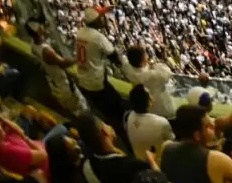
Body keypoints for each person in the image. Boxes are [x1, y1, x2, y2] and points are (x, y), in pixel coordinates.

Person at [74, 114, 149, 183]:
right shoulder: (134, 166)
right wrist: (152, 162)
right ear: (104, 132)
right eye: (105, 124)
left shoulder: (87, 167)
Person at [75, 8, 127, 141]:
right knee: (118, 111)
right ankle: (121, 138)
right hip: (96, 83)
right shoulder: (97, 37)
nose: (105, 19)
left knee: (105, 111)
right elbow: (114, 57)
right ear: (96, 20)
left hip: (84, 80)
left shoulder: (81, 32)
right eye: (101, 17)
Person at [29, 19, 87, 114]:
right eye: (40, 27)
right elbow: (64, 63)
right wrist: (79, 58)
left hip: (54, 82)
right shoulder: (46, 52)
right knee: (80, 109)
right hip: (64, 86)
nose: (42, 27)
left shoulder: (33, 45)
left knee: (72, 108)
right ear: (37, 31)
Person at [121, 47, 175, 120]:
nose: (147, 55)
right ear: (142, 60)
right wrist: (154, 64)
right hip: (160, 103)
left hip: (146, 103)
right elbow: (167, 72)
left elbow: (124, 59)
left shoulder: (128, 68)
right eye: (145, 54)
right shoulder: (151, 75)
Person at [124, 85, 173, 162]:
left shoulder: (127, 117)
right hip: (158, 162)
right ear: (149, 102)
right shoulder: (162, 122)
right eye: (149, 94)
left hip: (138, 158)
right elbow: (172, 141)